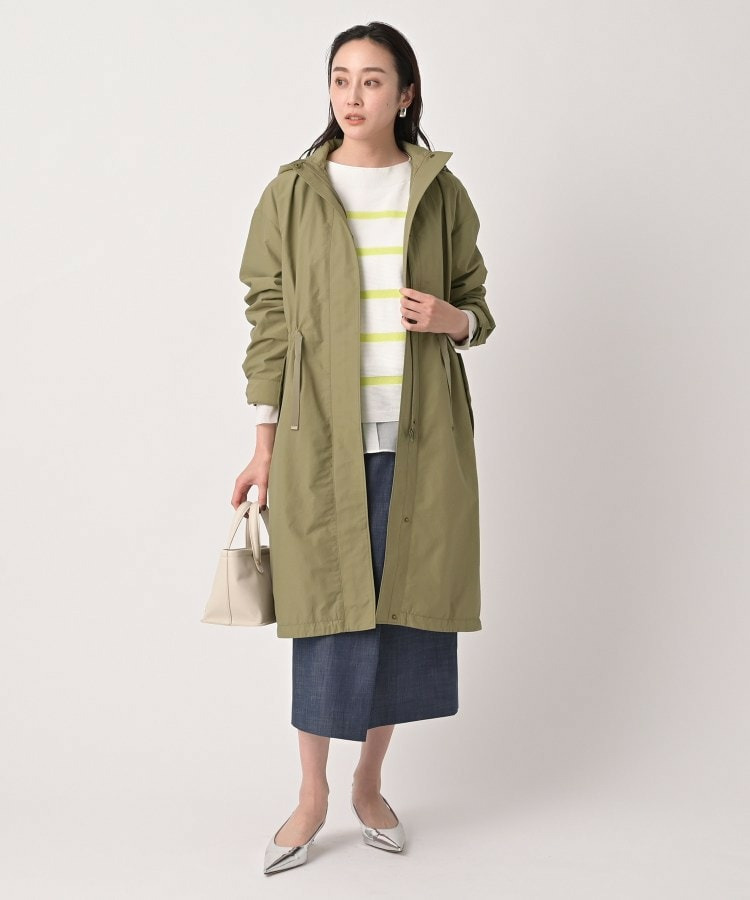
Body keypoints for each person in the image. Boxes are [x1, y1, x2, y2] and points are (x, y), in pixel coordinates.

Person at [230, 21, 496, 875]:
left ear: (406, 94)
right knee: (325, 616)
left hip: (422, 439)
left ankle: (369, 784)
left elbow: (478, 306)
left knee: (402, 613)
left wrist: (453, 320)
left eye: (373, 80)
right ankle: (311, 795)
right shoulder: (293, 193)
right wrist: (263, 444)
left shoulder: (439, 192)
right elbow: (269, 319)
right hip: (319, 441)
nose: (353, 95)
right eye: (340, 78)